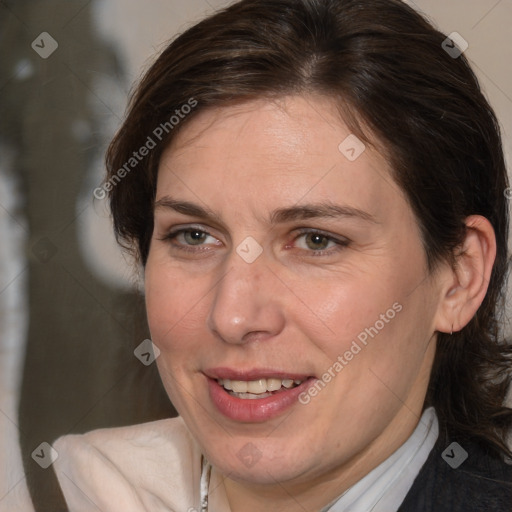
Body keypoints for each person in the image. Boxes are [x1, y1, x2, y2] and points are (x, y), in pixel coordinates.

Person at [52, 0, 512, 510]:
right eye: (194, 236)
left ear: (459, 277)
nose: (232, 315)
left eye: (317, 240)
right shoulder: (81, 492)